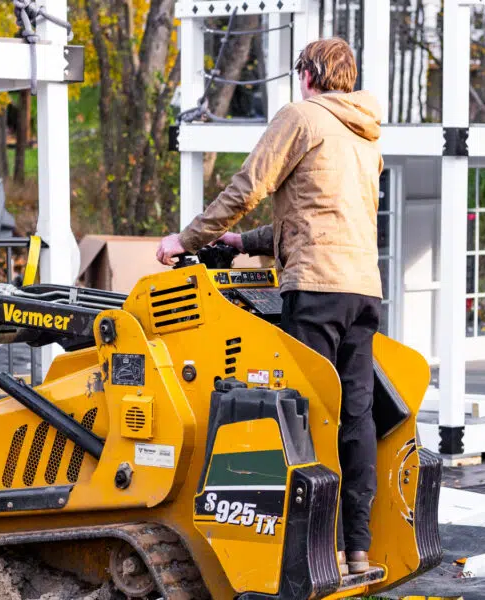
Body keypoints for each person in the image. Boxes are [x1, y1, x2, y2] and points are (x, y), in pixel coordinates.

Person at [157, 37, 383, 576]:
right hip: (362, 290)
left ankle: (308, 552)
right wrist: (242, 244)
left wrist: (186, 241)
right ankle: (357, 550)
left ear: (307, 72)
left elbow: (246, 188)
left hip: (316, 289)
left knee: (305, 417)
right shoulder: (365, 134)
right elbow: (315, 214)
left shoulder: (299, 115)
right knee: (355, 418)